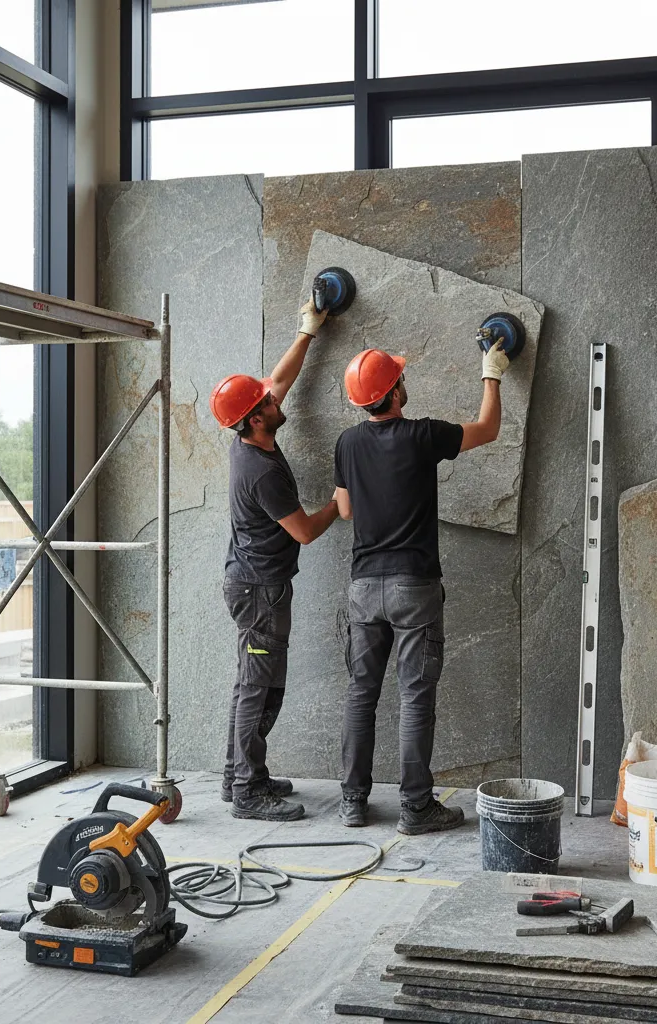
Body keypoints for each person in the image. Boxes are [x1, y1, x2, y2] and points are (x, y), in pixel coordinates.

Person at [333, 339, 512, 834]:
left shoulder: (347, 444)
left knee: (360, 693)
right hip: (414, 585)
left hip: (364, 587)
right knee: (414, 696)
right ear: (394, 392)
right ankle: (415, 807)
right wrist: (491, 373)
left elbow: (345, 510)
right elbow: (489, 429)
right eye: (400, 379)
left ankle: (353, 802)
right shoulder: (421, 436)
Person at [209, 298, 341, 822]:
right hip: (259, 592)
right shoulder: (261, 472)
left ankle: (241, 776)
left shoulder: (256, 434)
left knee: (258, 684)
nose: (273, 397)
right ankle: (246, 791)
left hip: (258, 585)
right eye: (266, 400)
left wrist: (308, 332)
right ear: (255, 418)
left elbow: (279, 380)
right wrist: (339, 503)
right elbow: (305, 531)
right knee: (257, 687)